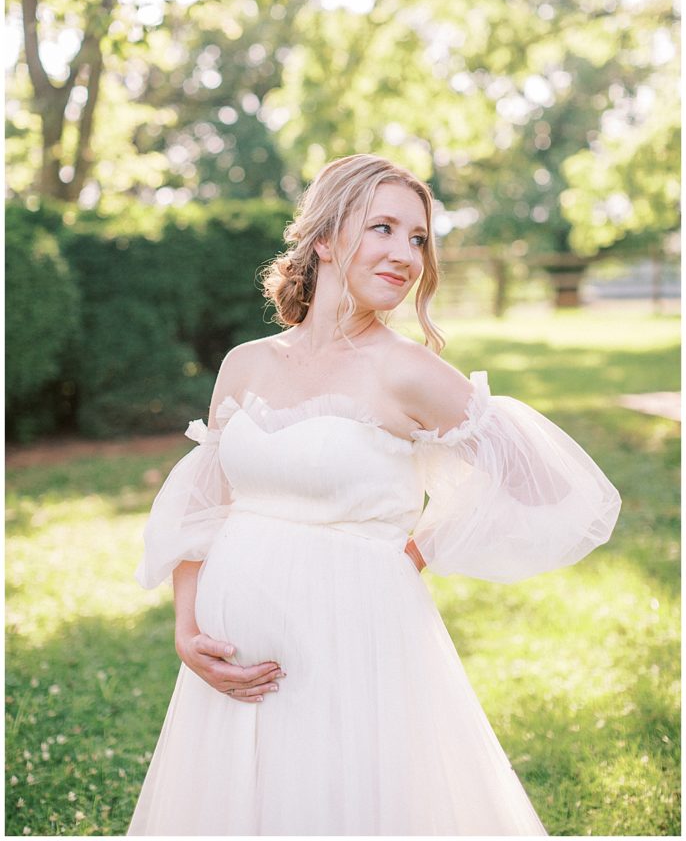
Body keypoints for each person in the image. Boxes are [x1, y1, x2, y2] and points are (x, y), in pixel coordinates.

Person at [127, 153, 621, 836]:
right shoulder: (245, 364)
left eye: (418, 238)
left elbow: (547, 483)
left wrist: (418, 549)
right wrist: (186, 629)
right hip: (233, 663)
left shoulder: (409, 371)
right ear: (325, 239)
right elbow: (203, 505)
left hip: (352, 640)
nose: (406, 255)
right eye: (383, 228)